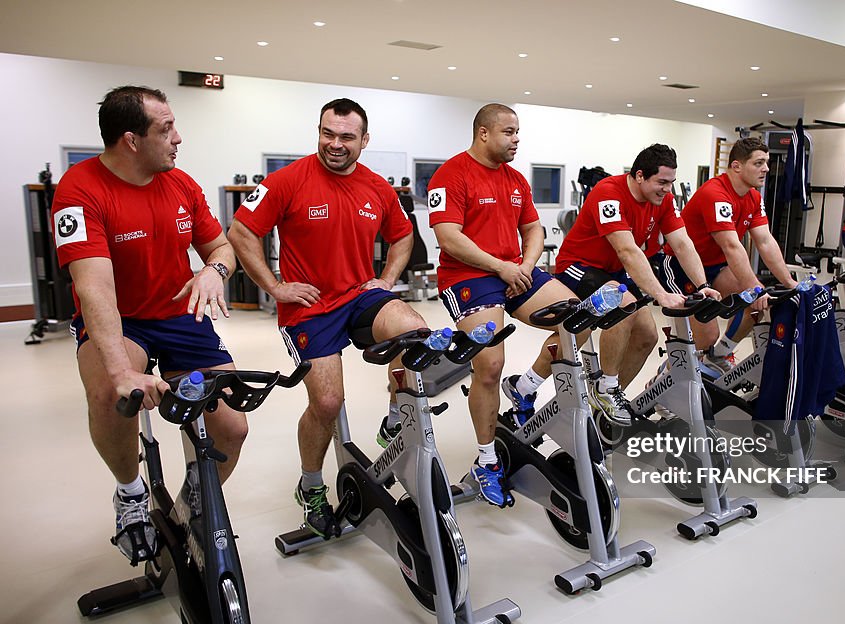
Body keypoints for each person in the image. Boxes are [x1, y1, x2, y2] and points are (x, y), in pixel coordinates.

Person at [52, 86, 247, 563]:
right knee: (110, 395)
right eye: (166, 129)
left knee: (232, 427)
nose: (178, 138)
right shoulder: (79, 190)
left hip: (180, 316)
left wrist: (212, 270)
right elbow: (94, 288)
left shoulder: (180, 184)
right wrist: (121, 374)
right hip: (123, 320)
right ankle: (131, 491)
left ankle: (194, 504)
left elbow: (222, 249)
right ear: (131, 141)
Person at [228, 98, 426, 538]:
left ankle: (396, 416)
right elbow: (241, 231)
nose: (334, 144)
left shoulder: (377, 187)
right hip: (309, 307)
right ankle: (312, 486)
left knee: (415, 333)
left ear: (364, 140)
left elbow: (402, 235)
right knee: (327, 404)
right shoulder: (287, 181)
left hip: (359, 295)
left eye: (346, 137)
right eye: (327, 134)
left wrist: (387, 278)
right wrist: (276, 287)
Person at [428, 103, 587, 506]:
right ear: (484, 133)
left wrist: (526, 266)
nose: (517, 139)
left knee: (579, 319)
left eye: (518, 133)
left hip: (516, 270)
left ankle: (526, 386)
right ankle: (486, 461)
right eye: (509, 132)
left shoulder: (516, 179)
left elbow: (532, 227)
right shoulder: (452, 174)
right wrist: (501, 267)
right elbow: (449, 238)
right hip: (469, 276)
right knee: (489, 365)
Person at [553, 143, 718, 425]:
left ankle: (609, 393)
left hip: (612, 272)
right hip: (578, 266)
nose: (667, 189)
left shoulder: (663, 201)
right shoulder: (608, 193)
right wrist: (661, 295)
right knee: (625, 305)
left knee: (647, 336)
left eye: (671, 183)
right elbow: (628, 251)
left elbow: (682, 243)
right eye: (662, 182)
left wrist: (701, 285)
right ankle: (606, 388)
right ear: (639, 175)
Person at [652, 137, 798, 371]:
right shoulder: (716, 193)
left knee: (753, 306)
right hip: (682, 267)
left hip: (716, 267)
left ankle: (718, 355)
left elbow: (765, 241)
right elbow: (731, 245)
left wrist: (790, 284)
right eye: (759, 163)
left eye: (767, 163)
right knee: (707, 334)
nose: (766, 169)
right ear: (736, 166)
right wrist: (755, 287)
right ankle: (666, 376)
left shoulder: (753, 197)